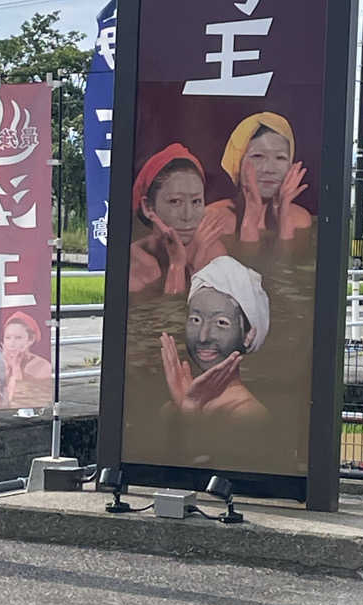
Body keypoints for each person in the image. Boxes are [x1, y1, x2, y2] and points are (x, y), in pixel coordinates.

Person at [159, 255, 269, 420]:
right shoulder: (175, 405)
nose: (203, 337)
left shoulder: (249, 414)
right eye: (195, 320)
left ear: (248, 335)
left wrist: (190, 411)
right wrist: (188, 406)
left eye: (221, 323)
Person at [130, 143, 227, 295]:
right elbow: (170, 317)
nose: (188, 216)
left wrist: (196, 266)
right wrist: (177, 265)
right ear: (148, 207)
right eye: (175, 201)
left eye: (196, 201)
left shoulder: (210, 250)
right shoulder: (134, 263)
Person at [208, 112, 311, 243]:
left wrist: (283, 215)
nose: (269, 169)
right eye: (258, 156)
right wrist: (250, 219)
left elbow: (289, 262)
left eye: (280, 157)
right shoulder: (214, 220)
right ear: (237, 161)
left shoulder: (300, 220)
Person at [2, 311, 52, 408]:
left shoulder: (42, 366)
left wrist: (16, 368)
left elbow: (21, 399)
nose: (11, 343)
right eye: (7, 338)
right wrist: (7, 369)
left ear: (30, 340)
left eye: (18, 338)